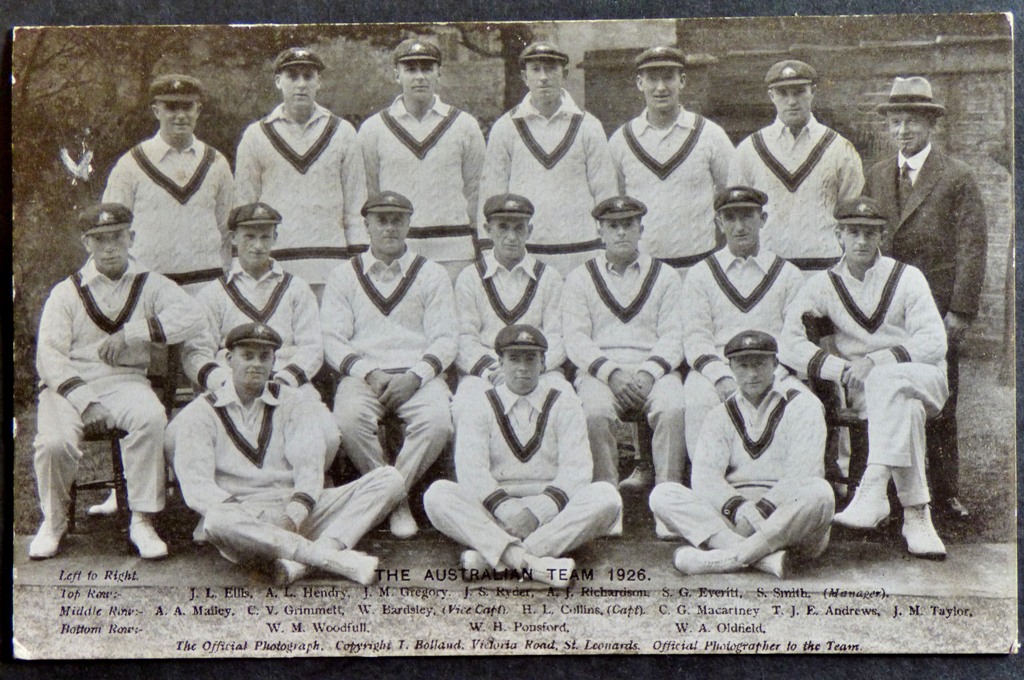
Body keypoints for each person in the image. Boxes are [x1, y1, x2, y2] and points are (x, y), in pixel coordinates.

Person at [29, 203, 205, 560]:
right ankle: (55, 521)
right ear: (86, 243)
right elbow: (49, 356)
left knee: (151, 418)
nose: (110, 247)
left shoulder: (149, 284)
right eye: (100, 239)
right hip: (68, 388)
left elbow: (194, 316)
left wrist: (134, 334)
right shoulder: (67, 292)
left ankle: (142, 518)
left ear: (131, 238)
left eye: (117, 237)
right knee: (54, 443)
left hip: (125, 382)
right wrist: (85, 400)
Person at [780, 197, 949, 559]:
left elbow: (934, 341)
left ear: (881, 236)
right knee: (907, 410)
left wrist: (876, 362)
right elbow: (789, 343)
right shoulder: (822, 284)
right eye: (852, 232)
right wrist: (840, 370)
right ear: (838, 234)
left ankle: (873, 488)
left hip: (926, 379)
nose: (860, 240)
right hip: (871, 394)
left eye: (869, 233)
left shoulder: (907, 277)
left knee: (890, 382)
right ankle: (917, 515)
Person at [171, 322, 404, 586]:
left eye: (265, 357)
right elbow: (197, 486)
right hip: (246, 519)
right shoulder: (201, 412)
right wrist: (249, 516)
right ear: (229, 360)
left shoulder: (293, 401)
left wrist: (293, 515)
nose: (256, 364)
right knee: (215, 520)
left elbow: (310, 467)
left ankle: (300, 563)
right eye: (247, 356)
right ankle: (330, 559)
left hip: (295, 511)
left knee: (390, 479)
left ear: (273, 362)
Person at [864, 76, 988, 520]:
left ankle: (945, 489)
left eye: (912, 122)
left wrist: (960, 310)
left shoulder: (956, 176)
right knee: (891, 391)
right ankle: (889, 491)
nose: (903, 131)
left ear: (930, 125)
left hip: (936, 308)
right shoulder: (878, 175)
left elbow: (972, 246)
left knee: (941, 397)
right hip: (887, 308)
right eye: (896, 122)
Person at [424, 325, 621, 589]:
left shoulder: (565, 402)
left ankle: (493, 557)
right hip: (495, 512)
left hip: (550, 514)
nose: (522, 368)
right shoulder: (479, 403)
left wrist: (536, 513)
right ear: (500, 363)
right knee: (437, 495)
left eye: (531, 359)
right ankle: (532, 563)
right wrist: (510, 513)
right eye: (514, 359)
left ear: (543, 363)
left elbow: (577, 471)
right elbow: (473, 474)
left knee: (606, 497)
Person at [321, 191, 457, 539]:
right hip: (364, 377)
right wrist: (370, 372)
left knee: (439, 423)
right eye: (382, 220)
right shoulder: (344, 275)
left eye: (398, 219)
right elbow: (333, 338)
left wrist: (415, 376)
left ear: (409, 223)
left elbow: (445, 338)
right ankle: (397, 503)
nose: (390, 227)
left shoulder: (431, 273)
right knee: (348, 421)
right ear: (366, 224)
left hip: (418, 377)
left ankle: (385, 497)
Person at [650, 330, 833, 577]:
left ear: (776, 364)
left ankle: (727, 559)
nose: (752, 373)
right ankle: (762, 559)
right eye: (743, 366)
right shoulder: (719, 414)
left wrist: (760, 512)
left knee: (820, 493)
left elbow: (803, 473)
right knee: (663, 494)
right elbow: (705, 478)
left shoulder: (803, 406)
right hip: (735, 520)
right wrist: (740, 510)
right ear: (731, 368)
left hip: (787, 520)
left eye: (759, 364)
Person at [561, 196, 686, 532]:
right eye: (612, 226)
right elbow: (575, 338)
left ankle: (669, 506)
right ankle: (607, 506)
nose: (620, 232)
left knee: (673, 408)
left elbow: (675, 335)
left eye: (628, 225)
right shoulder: (580, 278)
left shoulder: (666, 276)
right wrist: (611, 373)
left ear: (640, 228)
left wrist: (648, 372)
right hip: (601, 374)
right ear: (599, 231)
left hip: (655, 371)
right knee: (593, 413)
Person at [680, 186, 806, 459]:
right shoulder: (701, 274)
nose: (739, 227)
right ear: (719, 223)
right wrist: (723, 378)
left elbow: (795, 339)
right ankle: (706, 485)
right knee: (698, 400)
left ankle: (790, 483)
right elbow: (696, 337)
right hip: (717, 369)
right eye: (731, 218)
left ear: (762, 220)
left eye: (747, 217)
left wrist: (770, 375)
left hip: (773, 369)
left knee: (804, 404)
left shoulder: (788, 275)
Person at [478, 41, 616, 276]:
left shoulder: (589, 126)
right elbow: (492, 193)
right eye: (536, 69)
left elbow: (605, 192)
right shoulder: (505, 128)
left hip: (582, 254)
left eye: (551, 69)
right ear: (524, 76)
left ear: (564, 74)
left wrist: (607, 248)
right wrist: (489, 250)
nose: (543, 77)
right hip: (525, 256)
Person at [234, 47, 367, 288]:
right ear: (278, 81)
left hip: (332, 267)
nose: (301, 84)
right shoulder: (256, 135)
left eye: (308, 76)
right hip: (274, 268)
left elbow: (356, 206)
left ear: (319, 82)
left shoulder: (343, 132)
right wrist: (243, 266)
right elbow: (244, 207)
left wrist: (358, 264)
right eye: (292, 77)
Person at [358, 38, 486, 281]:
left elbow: (475, 191)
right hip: (395, 253)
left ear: (440, 73)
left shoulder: (465, 125)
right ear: (397, 75)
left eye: (427, 69)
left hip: (454, 253)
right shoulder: (373, 129)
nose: (420, 77)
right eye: (411, 69)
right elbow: (370, 192)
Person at [102, 74, 234, 291]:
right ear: (156, 111)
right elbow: (112, 229)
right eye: (172, 108)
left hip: (206, 286)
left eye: (187, 107)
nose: (180, 116)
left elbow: (226, 229)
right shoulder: (131, 164)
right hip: (148, 287)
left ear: (198, 110)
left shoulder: (216, 163)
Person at [730, 60, 864, 272]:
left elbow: (852, 214)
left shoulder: (839, 148)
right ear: (771, 96)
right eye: (783, 93)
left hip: (825, 267)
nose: (792, 101)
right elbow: (737, 214)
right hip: (767, 269)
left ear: (813, 92)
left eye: (800, 92)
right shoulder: (749, 150)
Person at [608, 45, 734, 270]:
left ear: (682, 81)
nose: (660, 88)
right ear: (640, 83)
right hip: (642, 268)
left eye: (669, 78)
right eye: (652, 79)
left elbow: (732, 197)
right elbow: (613, 202)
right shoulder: (621, 140)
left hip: (700, 266)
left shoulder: (710, 134)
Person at [452, 193, 567, 423]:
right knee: (466, 407)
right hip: (488, 373)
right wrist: (496, 372)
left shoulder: (550, 277)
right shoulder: (470, 278)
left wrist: (530, 371)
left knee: (565, 404)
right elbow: (464, 339)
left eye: (519, 228)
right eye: (503, 227)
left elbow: (559, 337)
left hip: (539, 371)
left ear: (529, 231)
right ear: (488, 230)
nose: (511, 237)